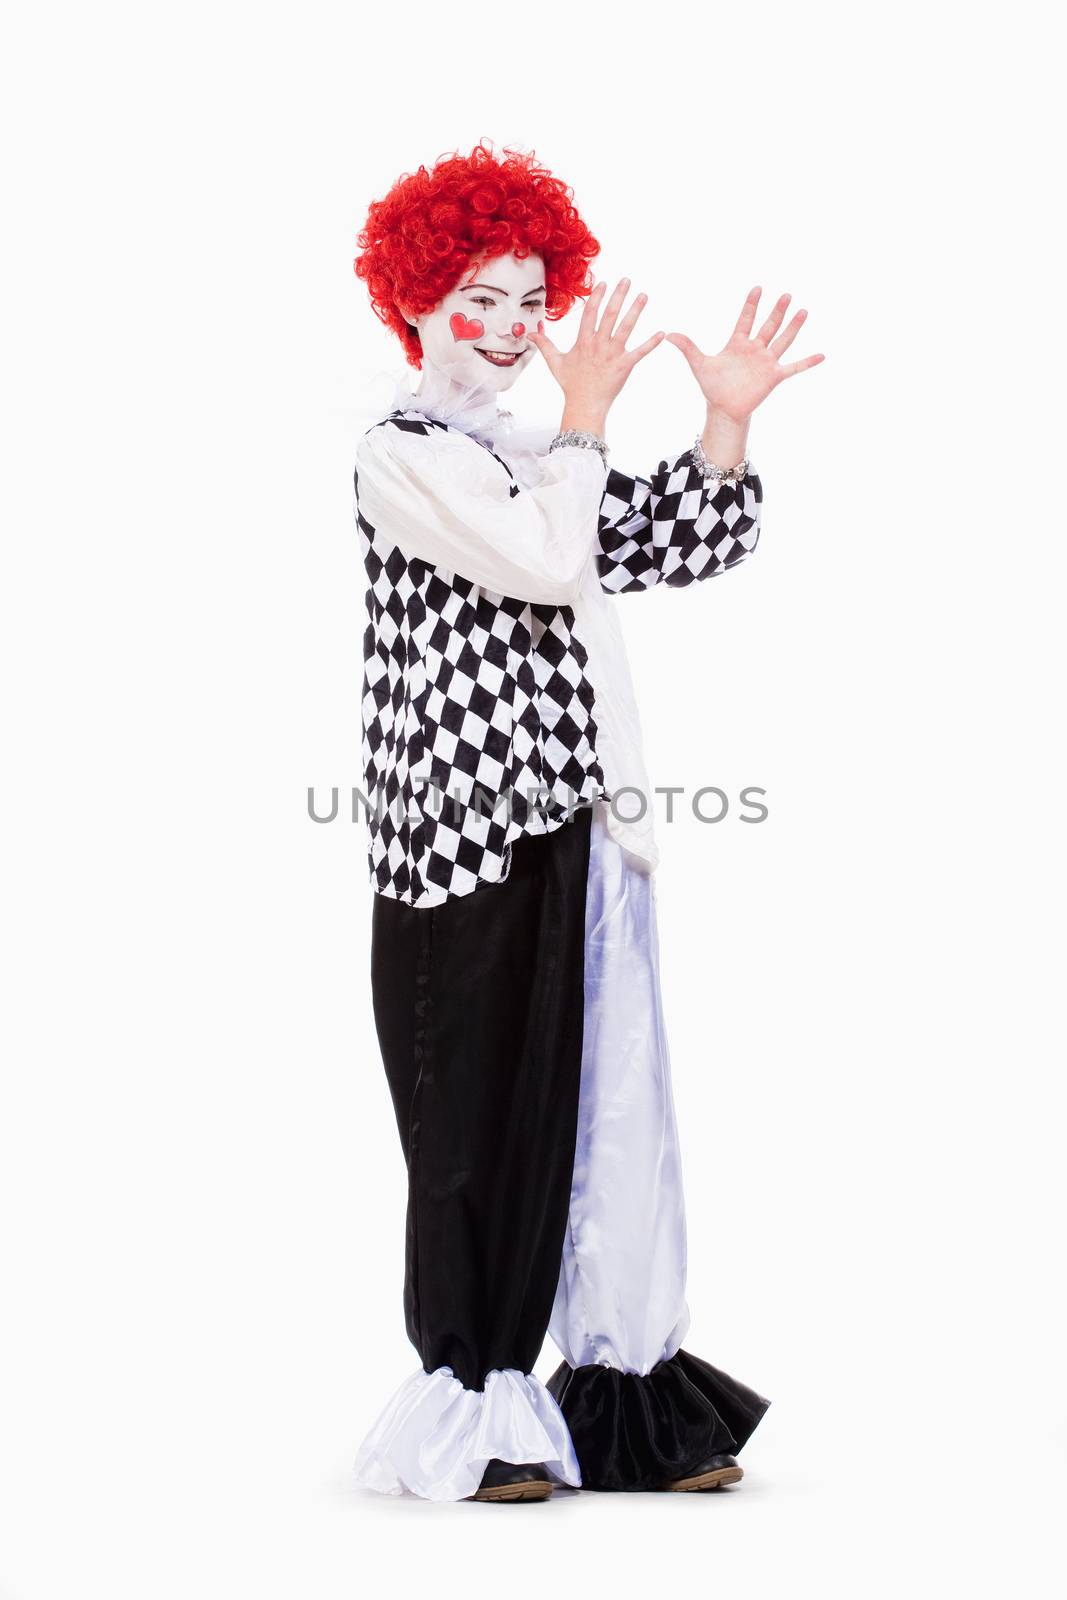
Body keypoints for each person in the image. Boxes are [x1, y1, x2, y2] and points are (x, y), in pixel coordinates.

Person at [348, 140, 823, 1503]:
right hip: (460, 840)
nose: (504, 330)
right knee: (476, 1124)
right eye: (474, 300)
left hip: (583, 825)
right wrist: (589, 423)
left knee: (614, 1116)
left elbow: (669, 541)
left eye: (523, 298)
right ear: (414, 300)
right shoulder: (403, 456)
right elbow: (552, 551)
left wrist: (723, 423)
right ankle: (474, 1408)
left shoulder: (525, 450)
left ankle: (623, 1404)